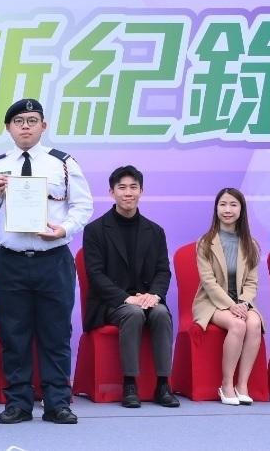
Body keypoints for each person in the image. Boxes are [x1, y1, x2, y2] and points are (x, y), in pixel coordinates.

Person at [0, 99, 91, 425]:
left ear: (43, 125)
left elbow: (83, 206)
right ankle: (18, 402)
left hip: (52, 259)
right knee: (14, 334)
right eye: (18, 121)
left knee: (56, 333)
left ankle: (57, 402)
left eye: (32, 120)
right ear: (8, 128)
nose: (25, 126)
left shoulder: (63, 163)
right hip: (10, 261)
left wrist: (64, 229)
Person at [82, 165, 178, 408]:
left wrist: (155, 295)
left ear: (141, 191)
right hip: (111, 303)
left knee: (161, 314)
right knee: (134, 314)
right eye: (122, 188)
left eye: (133, 187)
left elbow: (162, 270)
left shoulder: (155, 231)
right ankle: (129, 384)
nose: (128, 193)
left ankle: (164, 384)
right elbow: (95, 274)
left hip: (147, 298)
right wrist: (127, 298)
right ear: (111, 192)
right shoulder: (95, 230)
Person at [191, 188, 264, 406]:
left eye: (233, 204)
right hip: (212, 303)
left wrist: (244, 304)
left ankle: (243, 385)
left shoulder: (251, 244)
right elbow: (209, 282)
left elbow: (251, 283)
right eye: (223, 204)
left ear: (241, 210)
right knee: (238, 325)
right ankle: (226, 384)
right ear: (216, 209)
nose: (228, 209)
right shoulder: (205, 242)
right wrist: (232, 306)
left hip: (242, 303)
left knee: (254, 323)